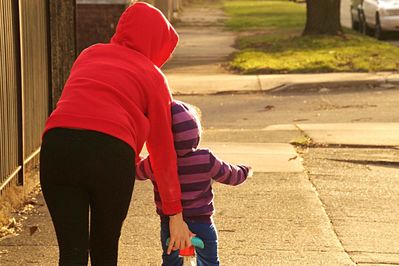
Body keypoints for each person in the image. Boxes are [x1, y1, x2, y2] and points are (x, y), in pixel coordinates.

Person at [39, 3, 193, 265]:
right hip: (110, 154)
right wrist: (174, 213)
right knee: (104, 247)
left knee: (72, 252)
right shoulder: (152, 75)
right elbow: (162, 150)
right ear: (158, 43)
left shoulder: (89, 54)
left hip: (57, 146)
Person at [136, 100, 253, 266]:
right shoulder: (206, 159)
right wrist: (245, 171)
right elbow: (230, 175)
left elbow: (137, 173)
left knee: (171, 261)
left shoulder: (155, 162)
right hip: (202, 223)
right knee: (210, 261)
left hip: (170, 224)